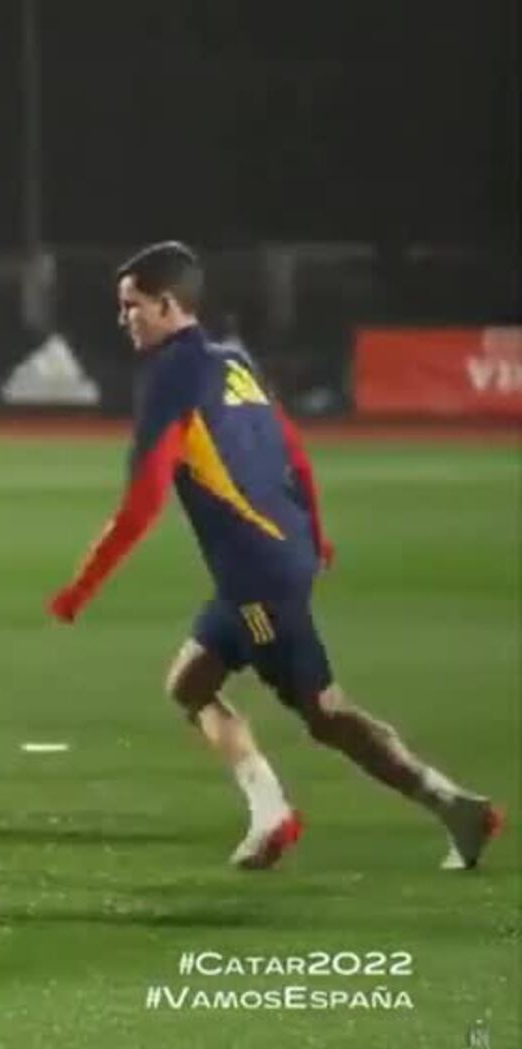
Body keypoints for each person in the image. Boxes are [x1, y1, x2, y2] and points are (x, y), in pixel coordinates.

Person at [49, 240, 503, 870]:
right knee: (191, 684)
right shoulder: (232, 358)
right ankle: (274, 811)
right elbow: (293, 449)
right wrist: (316, 535)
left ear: (166, 303)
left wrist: (81, 589)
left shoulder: (168, 378)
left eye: (131, 306)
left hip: (256, 573)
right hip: (281, 555)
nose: (123, 318)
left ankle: (451, 807)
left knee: (326, 713)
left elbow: (144, 501)